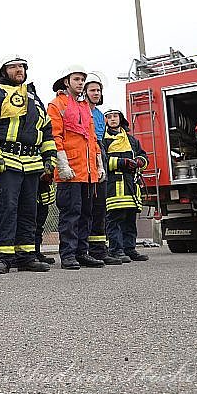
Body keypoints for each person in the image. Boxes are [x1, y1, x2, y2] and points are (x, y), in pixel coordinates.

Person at [0, 55, 57, 274]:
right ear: (4, 70)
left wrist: (50, 159)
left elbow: (46, 131)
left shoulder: (34, 99)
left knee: (28, 211)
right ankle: (2, 257)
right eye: (14, 66)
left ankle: (26, 256)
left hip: (32, 163)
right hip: (7, 159)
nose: (19, 70)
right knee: (6, 209)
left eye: (22, 66)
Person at [47, 65, 106, 270]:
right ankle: (68, 254)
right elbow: (55, 136)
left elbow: (92, 139)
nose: (81, 83)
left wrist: (98, 164)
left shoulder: (84, 108)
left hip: (87, 173)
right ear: (67, 81)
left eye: (82, 79)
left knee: (85, 214)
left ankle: (82, 252)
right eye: (77, 79)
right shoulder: (57, 105)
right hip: (70, 171)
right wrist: (62, 164)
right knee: (71, 214)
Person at [84, 72, 122, 266]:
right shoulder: (81, 110)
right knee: (86, 208)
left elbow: (99, 141)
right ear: (85, 92)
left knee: (100, 209)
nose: (97, 93)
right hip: (85, 159)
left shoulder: (99, 115)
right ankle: (82, 250)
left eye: (99, 90)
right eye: (93, 90)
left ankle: (99, 250)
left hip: (99, 156)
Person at [103, 109, 150, 262]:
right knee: (114, 219)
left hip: (131, 185)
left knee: (130, 219)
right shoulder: (103, 140)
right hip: (114, 185)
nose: (112, 119)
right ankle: (116, 250)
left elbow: (143, 155)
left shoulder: (131, 140)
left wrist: (141, 162)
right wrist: (121, 162)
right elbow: (101, 161)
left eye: (115, 116)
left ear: (121, 119)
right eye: (109, 117)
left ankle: (130, 249)